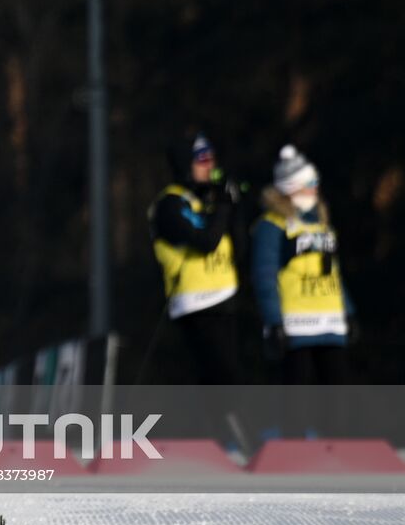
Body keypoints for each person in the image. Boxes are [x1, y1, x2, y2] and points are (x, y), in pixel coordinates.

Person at [252, 145, 354, 385]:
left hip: (330, 323)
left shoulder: (321, 223)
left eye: (315, 183)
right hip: (296, 326)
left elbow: (334, 274)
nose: (315, 189)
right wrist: (274, 322)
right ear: (291, 187)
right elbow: (264, 277)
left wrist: (347, 311)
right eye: (309, 183)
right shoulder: (272, 225)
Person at [146, 132, 241, 384]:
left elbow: (239, 246)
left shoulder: (207, 200)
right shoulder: (171, 204)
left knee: (225, 378)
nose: (210, 166)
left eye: (211, 158)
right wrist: (222, 204)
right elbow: (206, 241)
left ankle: (220, 422)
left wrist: (232, 204)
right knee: (221, 378)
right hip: (195, 302)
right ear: (185, 165)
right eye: (201, 160)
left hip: (223, 297)